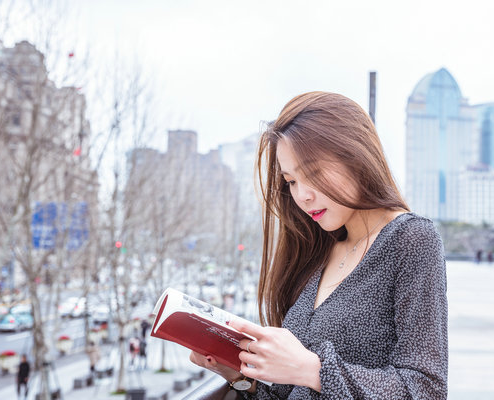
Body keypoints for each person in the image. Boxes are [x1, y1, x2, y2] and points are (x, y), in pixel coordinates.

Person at [188, 92, 448, 398]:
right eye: (291, 181)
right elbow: (294, 392)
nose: (302, 196)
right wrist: (237, 374)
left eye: (314, 172)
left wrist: (312, 369)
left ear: (356, 156)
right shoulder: (319, 250)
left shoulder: (411, 240)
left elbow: (426, 389)